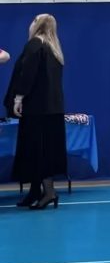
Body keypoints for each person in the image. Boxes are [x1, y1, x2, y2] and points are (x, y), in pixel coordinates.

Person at [3, 14, 66, 209]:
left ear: (37, 25)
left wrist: (18, 98)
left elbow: (27, 75)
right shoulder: (54, 49)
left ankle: (49, 192)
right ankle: (35, 191)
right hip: (52, 109)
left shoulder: (34, 45)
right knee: (44, 150)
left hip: (37, 109)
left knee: (37, 151)